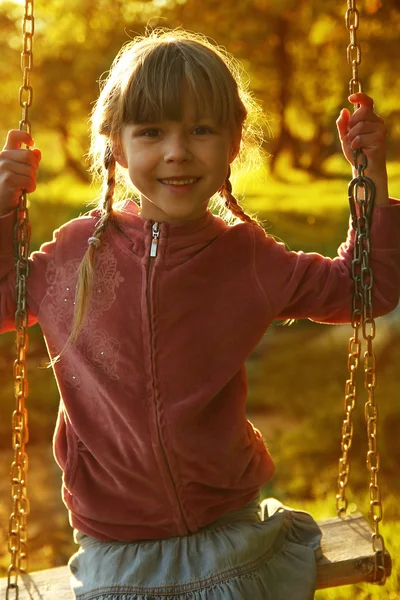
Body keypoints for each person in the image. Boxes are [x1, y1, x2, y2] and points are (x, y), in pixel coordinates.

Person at [0, 28, 399, 600]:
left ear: (235, 141)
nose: (177, 151)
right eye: (152, 131)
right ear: (116, 142)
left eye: (202, 129)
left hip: (228, 530)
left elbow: (365, 290)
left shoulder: (247, 258)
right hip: (116, 542)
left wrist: (372, 176)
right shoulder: (73, 256)